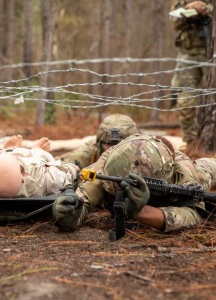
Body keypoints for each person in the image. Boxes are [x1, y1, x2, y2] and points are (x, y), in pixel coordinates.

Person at [52, 134, 208, 233]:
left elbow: (194, 214)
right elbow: (82, 201)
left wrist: (142, 212)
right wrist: (68, 215)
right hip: (141, 154)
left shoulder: (183, 173)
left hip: (194, 168)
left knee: (207, 168)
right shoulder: (107, 169)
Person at [170, 0, 213, 146]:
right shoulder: (181, 1)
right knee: (186, 100)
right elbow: (174, 23)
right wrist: (187, 9)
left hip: (212, 51)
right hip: (189, 54)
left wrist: (204, 9)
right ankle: (191, 142)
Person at [58, 114, 138, 169]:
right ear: (100, 143)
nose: (112, 150)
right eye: (109, 145)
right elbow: (62, 167)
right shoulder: (91, 152)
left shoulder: (141, 154)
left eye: (119, 146)